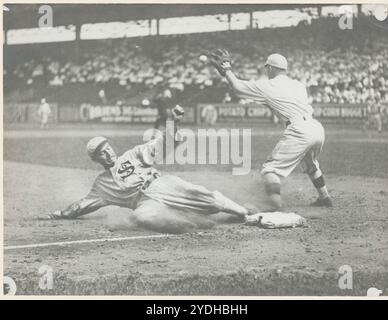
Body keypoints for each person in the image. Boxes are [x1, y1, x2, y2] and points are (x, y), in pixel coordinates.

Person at [46, 105, 251, 233]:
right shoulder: (101, 185)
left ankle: (244, 212)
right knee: (141, 217)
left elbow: (164, 144)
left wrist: (172, 123)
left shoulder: (132, 154)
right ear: (95, 159)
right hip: (143, 203)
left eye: (107, 147)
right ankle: (186, 224)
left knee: (200, 194)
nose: (107, 153)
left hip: (161, 185)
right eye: (101, 153)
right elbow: (82, 205)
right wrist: (61, 213)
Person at [210, 50, 332, 210]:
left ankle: (274, 204)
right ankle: (325, 197)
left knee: (269, 170)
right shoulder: (298, 85)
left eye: (267, 67)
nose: (266, 71)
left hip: (299, 129)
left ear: (271, 68)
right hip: (316, 127)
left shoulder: (267, 85)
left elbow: (238, 88)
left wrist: (227, 71)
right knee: (311, 164)